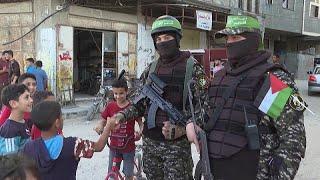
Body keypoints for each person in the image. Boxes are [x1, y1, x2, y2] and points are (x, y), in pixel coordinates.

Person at [186, 15, 306, 180]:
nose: (229, 42)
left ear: (252, 40)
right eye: (227, 38)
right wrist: (192, 124)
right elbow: (206, 116)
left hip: (254, 172)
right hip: (214, 171)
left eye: (235, 37)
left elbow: (293, 140)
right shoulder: (220, 77)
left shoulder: (271, 80)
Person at [104, 15, 208, 180]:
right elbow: (138, 103)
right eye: (158, 39)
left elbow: (205, 107)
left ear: (177, 38)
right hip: (150, 145)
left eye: (167, 37)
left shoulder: (192, 68)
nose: (163, 42)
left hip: (176, 150)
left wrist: (182, 129)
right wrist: (121, 115)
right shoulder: (151, 68)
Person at [21, 101, 111, 180]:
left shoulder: (28, 147)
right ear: (57, 123)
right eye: (61, 116)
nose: (62, 119)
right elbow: (99, 146)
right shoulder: (74, 145)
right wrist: (108, 127)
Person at [94, 78, 143, 180]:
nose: (118, 96)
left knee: (129, 174)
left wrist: (140, 131)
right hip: (113, 146)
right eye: (115, 93)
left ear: (127, 92)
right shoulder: (110, 106)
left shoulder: (131, 107)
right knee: (111, 173)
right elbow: (102, 120)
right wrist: (99, 126)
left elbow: (140, 121)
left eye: (121, 93)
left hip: (128, 147)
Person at [0, 84, 33, 155]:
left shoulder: (22, 121)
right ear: (13, 103)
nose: (31, 100)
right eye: (26, 97)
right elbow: (10, 160)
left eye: (30, 96)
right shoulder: (9, 130)